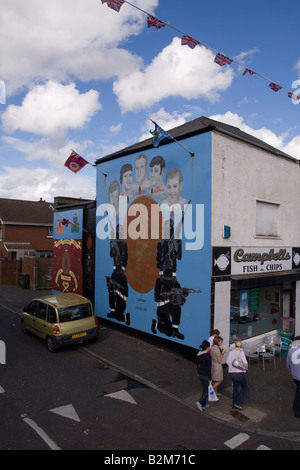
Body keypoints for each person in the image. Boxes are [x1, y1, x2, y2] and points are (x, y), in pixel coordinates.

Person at [226, 340, 248, 410]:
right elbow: (245, 362)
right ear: (241, 345)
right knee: (244, 387)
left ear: (235, 345)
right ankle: (238, 403)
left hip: (232, 374)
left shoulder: (231, 352)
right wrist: (245, 369)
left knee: (235, 389)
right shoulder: (241, 353)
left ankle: (234, 405)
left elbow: (227, 362)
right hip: (240, 373)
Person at [196, 340, 212, 411]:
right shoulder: (207, 357)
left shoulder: (199, 354)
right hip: (205, 375)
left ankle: (204, 404)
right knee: (207, 390)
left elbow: (198, 365)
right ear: (208, 347)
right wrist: (210, 378)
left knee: (204, 388)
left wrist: (198, 372)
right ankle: (200, 402)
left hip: (200, 374)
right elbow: (208, 368)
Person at [286, 335, 300, 418]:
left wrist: (290, 370)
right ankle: (297, 412)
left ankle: (295, 408)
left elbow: (288, 363)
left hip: (294, 375)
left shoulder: (291, 350)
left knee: (298, 391)